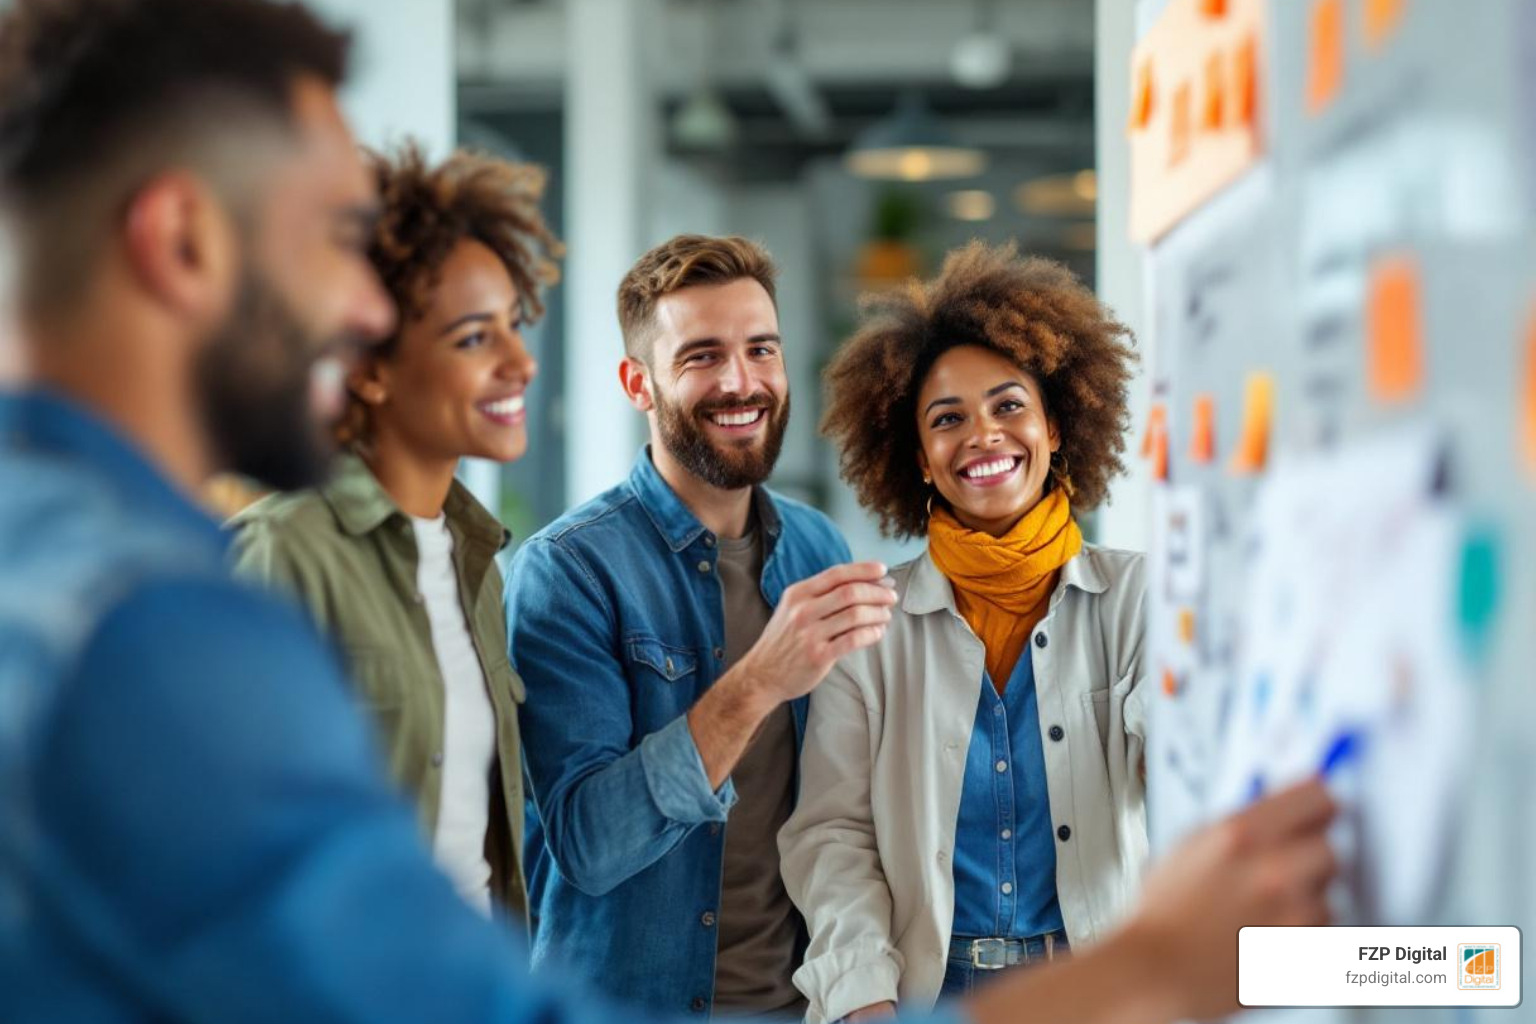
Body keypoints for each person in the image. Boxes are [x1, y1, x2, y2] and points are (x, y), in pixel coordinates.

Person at [0, 2, 1337, 1022]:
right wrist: (1155, 964)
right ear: (182, 241)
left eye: (761, 349)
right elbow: (550, 895)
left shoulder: (58, 563)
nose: (363, 308)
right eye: (332, 240)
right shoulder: (156, 633)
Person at [504, 234, 897, 1017]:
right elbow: (588, 844)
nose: (741, 382)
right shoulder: (568, 571)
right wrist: (758, 683)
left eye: (761, 350)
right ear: (638, 384)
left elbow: (844, 812)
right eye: (702, 357)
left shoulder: (817, 549)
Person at [781, 243, 1147, 1022]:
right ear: (919, 459)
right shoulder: (869, 624)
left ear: (1055, 426)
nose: (982, 434)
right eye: (948, 419)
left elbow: (1189, 764)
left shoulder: (1139, 598)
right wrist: (862, 996)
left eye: (1009, 407)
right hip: (922, 995)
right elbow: (833, 836)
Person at [230, 141, 560, 921]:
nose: (521, 362)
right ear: (368, 367)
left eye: (513, 326)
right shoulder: (281, 554)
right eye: (474, 337)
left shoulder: (477, 565)